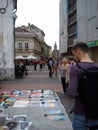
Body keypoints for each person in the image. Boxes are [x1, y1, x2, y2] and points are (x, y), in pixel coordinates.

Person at [66, 42, 98, 130]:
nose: (74, 57)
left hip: (81, 113)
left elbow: (71, 93)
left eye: (74, 54)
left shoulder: (75, 68)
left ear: (78, 52)